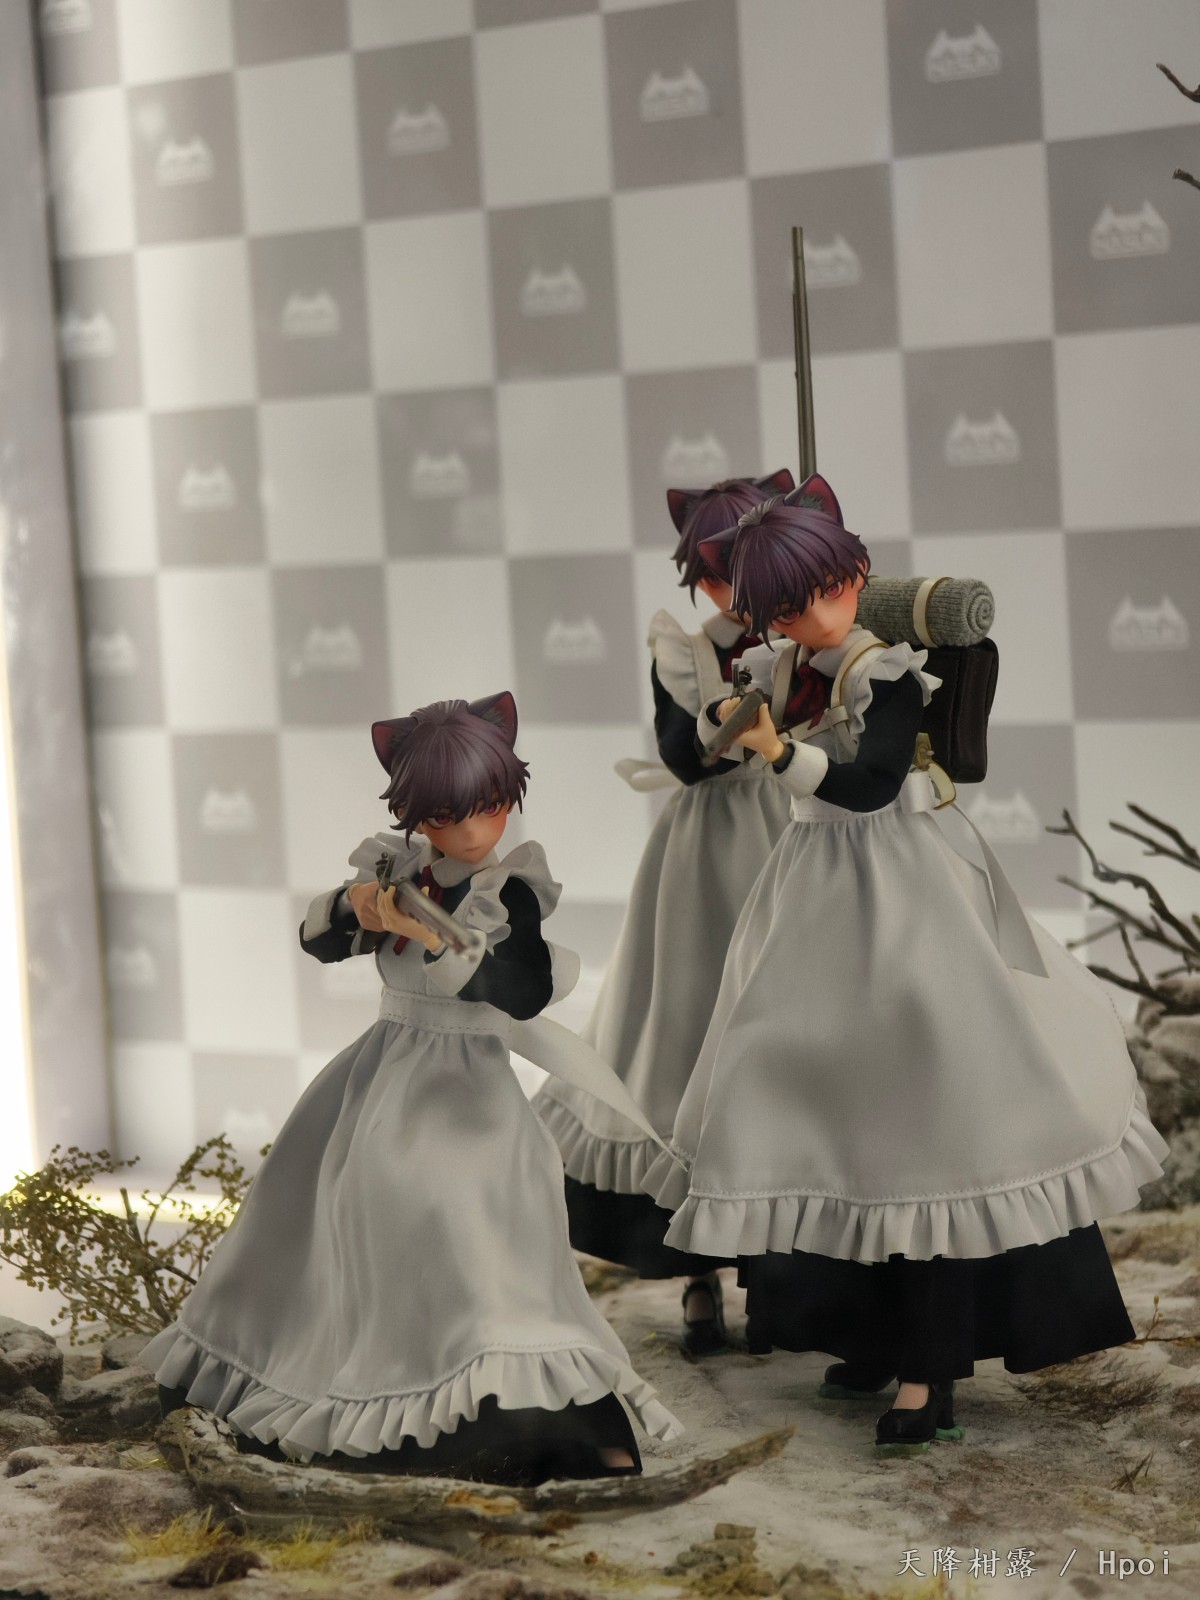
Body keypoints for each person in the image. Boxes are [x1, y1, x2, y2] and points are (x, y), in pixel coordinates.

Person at [642, 492, 1168, 1451]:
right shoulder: (778, 665)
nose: (806, 618)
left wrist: (776, 750)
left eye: (821, 593)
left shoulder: (885, 671)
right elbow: (719, 749)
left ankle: (931, 1367)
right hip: (809, 893)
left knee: (923, 1118)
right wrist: (730, 716)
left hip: (898, 889)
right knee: (822, 1112)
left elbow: (871, 782)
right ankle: (864, 1332)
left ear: (854, 578)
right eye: (782, 609)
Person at [143, 692, 680, 1483]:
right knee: (329, 1206)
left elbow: (525, 989)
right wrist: (359, 907)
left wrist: (445, 945)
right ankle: (332, 1375)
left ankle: (535, 1409)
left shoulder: (509, 889)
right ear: (419, 815)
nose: (475, 829)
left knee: (470, 1229)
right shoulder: (395, 871)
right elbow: (320, 939)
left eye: (491, 806)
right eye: (447, 814)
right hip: (382, 1079)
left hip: (468, 1095)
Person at [534, 471, 795, 1354]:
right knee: (684, 1028)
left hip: (793, 831)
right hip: (709, 851)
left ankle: (787, 1270)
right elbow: (681, 754)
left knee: (782, 1032)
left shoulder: (805, 638)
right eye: (718, 576)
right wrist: (731, 724)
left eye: (746, 572)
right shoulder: (684, 651)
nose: (733, 593)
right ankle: (696, 1275)